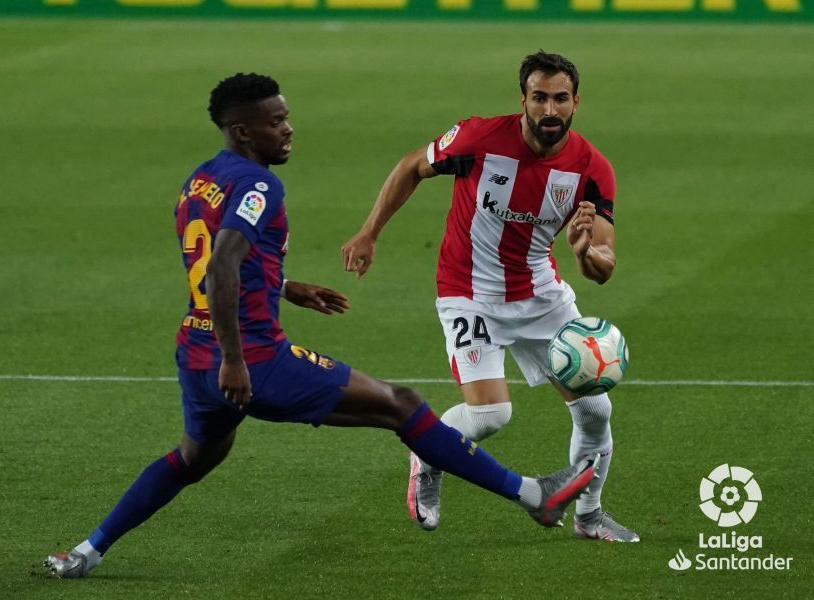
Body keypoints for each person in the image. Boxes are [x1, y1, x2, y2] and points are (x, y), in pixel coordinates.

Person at [44, 73, 599, 578]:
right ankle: (534, 495)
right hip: (253, 360)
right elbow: (220, 270)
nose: (288, 130)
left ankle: (86, 552)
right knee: (402, 405)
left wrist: (285, 287)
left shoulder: (201, 181)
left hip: (194, 353)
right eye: (275, 121)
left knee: (191, 459)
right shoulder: (260, 187)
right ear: (242, 130)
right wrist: (237, 360)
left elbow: (208, 263)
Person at [341, 52, 638, 542]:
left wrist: (586, 253)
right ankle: (427, 453)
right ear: (522, 99)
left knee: (595, 409)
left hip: (541, 293)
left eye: (560, 99)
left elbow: (603, 263)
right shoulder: (478, 139)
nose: (549, 109)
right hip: (468, 292)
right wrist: (369, 232)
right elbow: (413, 165)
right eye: (538, 97)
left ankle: (588, 516)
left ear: (575, 102)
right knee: (490, 414)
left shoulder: (591, 169)